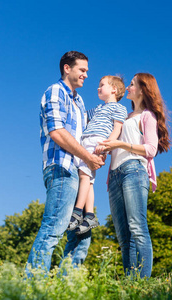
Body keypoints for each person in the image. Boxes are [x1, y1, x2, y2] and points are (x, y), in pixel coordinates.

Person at [26, 51, 104, 276]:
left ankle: (64, 287)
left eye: (87, 71)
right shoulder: (55, 91)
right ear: (67, 68)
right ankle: (31, 286)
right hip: (61, 168)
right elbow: (57, 131)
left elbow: (92, 130)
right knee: (53, 228)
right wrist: (88, 157)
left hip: (80, 173)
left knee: (81, 234)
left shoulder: (79, 102)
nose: (86, 75)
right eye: (82, 70)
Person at [99, 73, 171, 279]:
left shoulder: (147, 115)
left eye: (132, 84)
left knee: (138, 229)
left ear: (142, 89)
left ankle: (142, 284)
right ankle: (130, 284)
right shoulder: (123, 116)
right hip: (114, 176)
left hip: (134, 171)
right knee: (123, 237)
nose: (128, 87)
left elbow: (150, 149)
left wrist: (120, 144)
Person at [67, 76, 127, 235]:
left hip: (97, 142)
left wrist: (106, 146)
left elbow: (117, 129)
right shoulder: (98, 108)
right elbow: (81, 116)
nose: (98, 88)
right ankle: (90, 215)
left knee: (84, 177)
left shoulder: (119, 108)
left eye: (102, 85)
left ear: (114, 89)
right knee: (88, 180)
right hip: (86, 141)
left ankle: (77, 212)